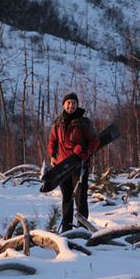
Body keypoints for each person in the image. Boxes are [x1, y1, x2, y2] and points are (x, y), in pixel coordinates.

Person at [46, 92, 99, 232]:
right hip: (63, 166)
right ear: (64, 105)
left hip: (79, 165)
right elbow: (52, 141)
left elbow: (94, 141)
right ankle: (67, 229)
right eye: (68, 103)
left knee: (80, 199)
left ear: (77, 105)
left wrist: (85, 154)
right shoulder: (58, 123)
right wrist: (52, 156)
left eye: (74, 103)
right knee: (67, 198)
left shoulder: (84, 122)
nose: (71, 105)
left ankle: (82, 229)